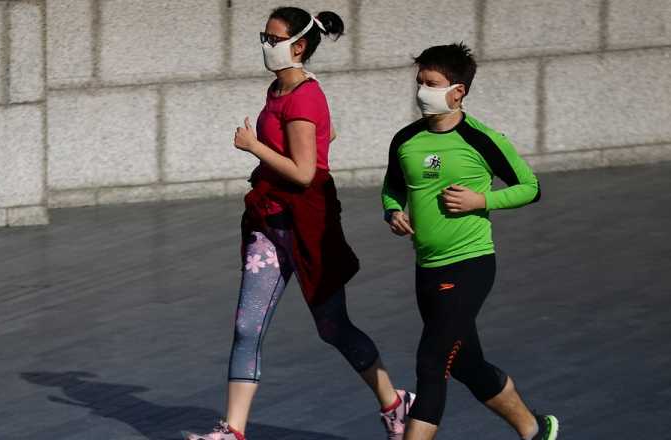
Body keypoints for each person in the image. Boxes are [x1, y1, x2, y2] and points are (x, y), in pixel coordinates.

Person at [183, 7, 412, 440]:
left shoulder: (306, 96)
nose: (265, 45)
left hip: (307, 224)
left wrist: (253, 147)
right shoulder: (278, 89)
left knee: (333, 327)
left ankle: (395, 404)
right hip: (269, 221)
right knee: (247, 324)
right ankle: (233, 430)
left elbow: (306, 172)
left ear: (299, 46)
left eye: (273, 38)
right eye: (264, 37)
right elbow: (321, 138)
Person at [381, 43, 559, 440]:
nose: (421, 91)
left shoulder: (483, 139)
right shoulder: (406, 140)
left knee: (431, 363)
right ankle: (535, 430)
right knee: (464, 363)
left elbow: (530, 187)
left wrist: (483, 200)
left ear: (457, 92)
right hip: (426, 268)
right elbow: (392, 188)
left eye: (431, 83)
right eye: (419, 82)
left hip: (470, 264)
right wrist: (392, 212)